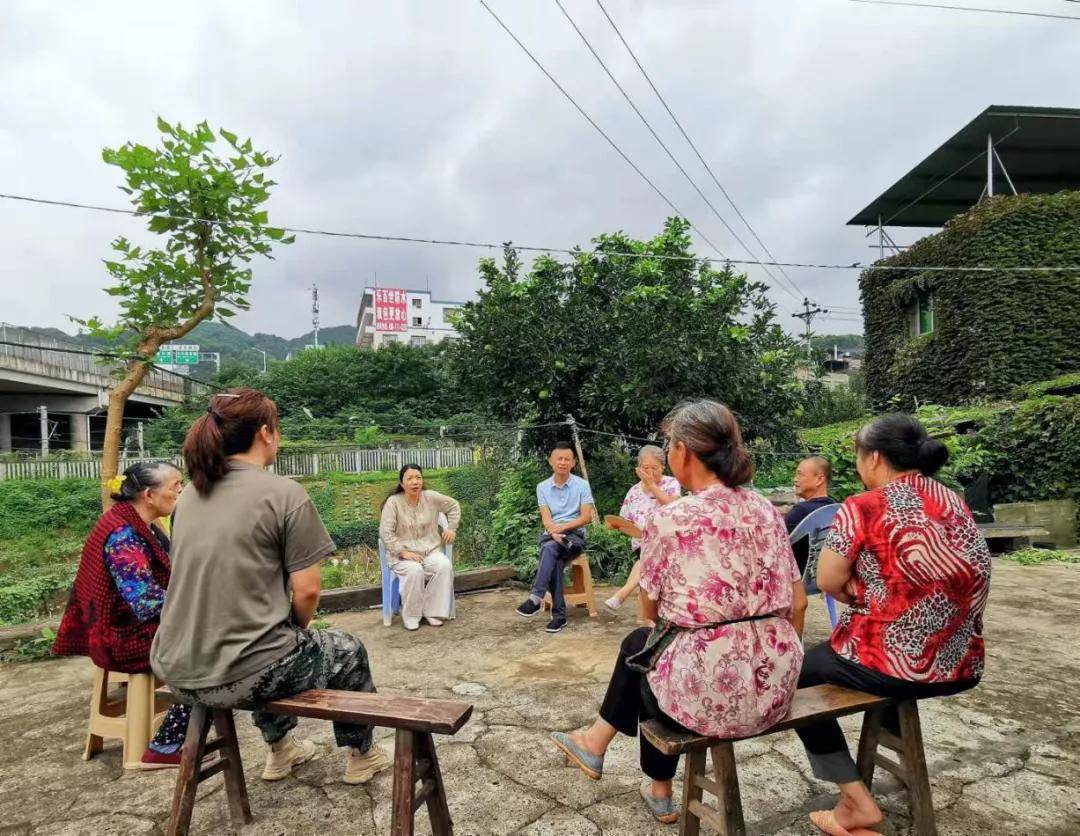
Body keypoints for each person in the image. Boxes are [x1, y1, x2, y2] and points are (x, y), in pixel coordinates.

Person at [551, 400, 807, 823]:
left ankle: (634, 769)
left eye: (669, 444)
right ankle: (618, 760)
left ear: (683, 451)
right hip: (776, 686)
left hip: (712, 694)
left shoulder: (673, 517)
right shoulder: (766, 509)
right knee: (656, 651)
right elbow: (797, 602)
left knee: (646, 648)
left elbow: (648, 609)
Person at [151, 389, 391, 786]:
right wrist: (296, 630)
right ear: (266, 433)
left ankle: (281, 751)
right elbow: (309, 590)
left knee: (272, 645)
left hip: (176, 668)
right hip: (241, 672)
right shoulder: (283, 494)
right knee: (344, 650)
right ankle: (362, 755)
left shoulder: (189, 497)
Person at [796, 414, 991, 836]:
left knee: (796, 675)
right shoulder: (953, 500)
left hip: (894, 667)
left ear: (876, 458)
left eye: (858, 456)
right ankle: (881, 741)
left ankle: (854, 801)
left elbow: (828, 581)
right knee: (867, 653)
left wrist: (861, 589)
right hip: (960, 665)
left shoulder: (863, 506)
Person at [53, 461, 192, 769]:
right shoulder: (124, 536)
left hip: (119, 629)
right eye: (175, 486)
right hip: (125, 639)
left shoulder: (134, 522)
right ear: (148, 495)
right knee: (211, 653)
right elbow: (145, 602)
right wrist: (197, 601)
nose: (181, 491)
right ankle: (166, 744)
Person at [514, 441, 595, 634]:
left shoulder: (581, 485)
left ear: (573, 462)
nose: (563, 462)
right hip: (551, 536)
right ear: (551, 462)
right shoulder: (542, 487)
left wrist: (562, 529)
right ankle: (559, 617)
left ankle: (536, 598)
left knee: (549, 550)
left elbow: (586, 517)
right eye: (559, 459)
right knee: (553, 554)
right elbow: (546, 519)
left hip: (574, 536)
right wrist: (554, 532)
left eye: (567, 459)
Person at [379, 463, 460, 631]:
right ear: (402, 483)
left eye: (418, 477)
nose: (415, 482)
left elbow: (453, 506)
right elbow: (385, 532)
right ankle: (411, 615)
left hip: (429, 550)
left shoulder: (430, 497)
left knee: (444, 566)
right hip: (401, 555)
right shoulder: (393, 502)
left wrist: (451, 528)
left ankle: (432, 612)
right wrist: (403, 552)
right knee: (415, 570)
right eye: (409, 478)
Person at [603, 445, 680, 613]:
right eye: (646, 468)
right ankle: (627, 600)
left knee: (651, 552)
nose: (650, 472)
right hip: (642, 544)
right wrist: (614, 525)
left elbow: (675, 507)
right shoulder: (634, 492)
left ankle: (622, 594)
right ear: (638, 468)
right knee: (647, 551)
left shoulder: (671, 483)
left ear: (663, 467)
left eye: (655, 468)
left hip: (668, 543)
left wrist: (652, 485)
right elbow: (625, 521)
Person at [785, 456, 839, 575]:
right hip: (824, 578)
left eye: (800, 474)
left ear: (819, 479)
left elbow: (777, 543)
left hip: (797, 579)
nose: (795, 479)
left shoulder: (801, 511)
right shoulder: (836, 508)